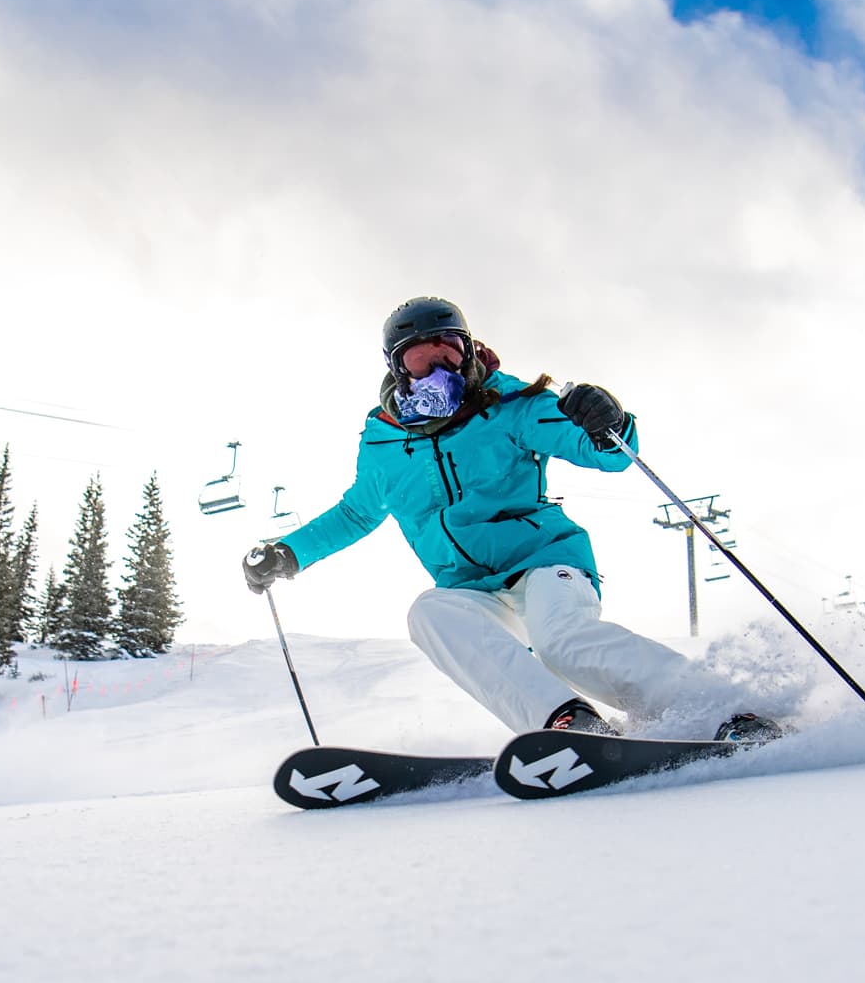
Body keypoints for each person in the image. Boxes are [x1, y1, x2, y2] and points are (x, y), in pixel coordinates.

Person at [242, 296, 779, 742]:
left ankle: (724, 711)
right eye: (419, 360)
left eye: (448, 352)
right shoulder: (384, 440)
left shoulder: (512, 403)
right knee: (428, 613)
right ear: (396, 368)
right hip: (470, 588)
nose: (437, 369)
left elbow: (606, 452)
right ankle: (570, 723)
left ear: (468, 349)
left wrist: (605, 421)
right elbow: (358, 512)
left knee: (561, 640)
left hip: (545, 563)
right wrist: (290, 552)